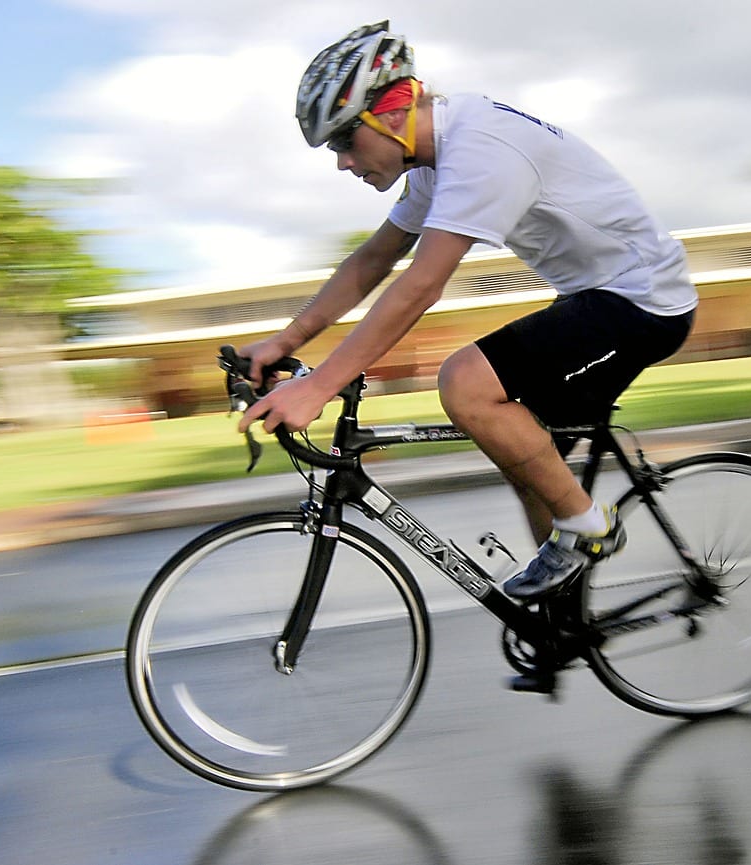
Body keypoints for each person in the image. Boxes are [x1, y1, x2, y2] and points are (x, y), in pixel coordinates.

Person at [240, 21, 698, 599]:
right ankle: (562, 623)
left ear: (394, 113)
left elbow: (420, 286)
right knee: (528, 461)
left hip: (642, 301)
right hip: (593, 295)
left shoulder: (480, 151)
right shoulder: (435, 160)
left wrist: (320, 386)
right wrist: (286, 342)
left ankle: (588, 528)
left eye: (344, 141)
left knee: (465, 383)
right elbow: (374, 259)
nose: (342, 163)